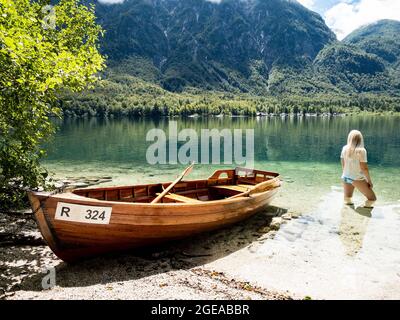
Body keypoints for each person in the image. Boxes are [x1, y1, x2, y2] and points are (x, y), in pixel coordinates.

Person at [341, 130, 377, 208]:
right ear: (360, 139)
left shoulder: (344, 148)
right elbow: (364, 168)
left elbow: (343, 164)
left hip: (345, 177)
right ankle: (362, 210)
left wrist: (346, 174)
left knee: (348, 199)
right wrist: (369, 181)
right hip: (356, 178)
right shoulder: (362, 151)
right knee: (372, 199)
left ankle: (347, 214)